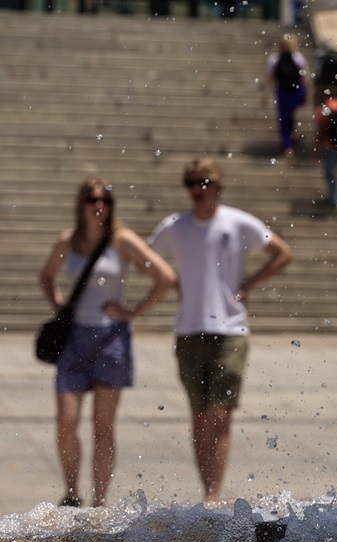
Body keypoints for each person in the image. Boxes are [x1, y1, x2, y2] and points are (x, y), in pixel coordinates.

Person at [148, 158, 293, 503]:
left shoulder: (238, 222)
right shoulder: (175, 226)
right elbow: (145, 256)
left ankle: (214, 493)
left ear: (218, 187)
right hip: (189, 330)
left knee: (220, 413)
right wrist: (170, 280)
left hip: (230, 329)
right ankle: (207, 490)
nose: (197, 190)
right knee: (199, 416)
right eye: (191, 183)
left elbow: (282, 253)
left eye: (204, 183)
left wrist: (249, 283)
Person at [39, 178, 177, 508]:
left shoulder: (122, 240)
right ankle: (72, 492)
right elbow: (46, 276)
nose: (99, 205)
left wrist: (133, 312)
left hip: (111, 338)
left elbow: (165, 277)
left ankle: (99, 501)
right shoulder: (68, 241)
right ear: (81, 204)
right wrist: (59, 305)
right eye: (92, 199)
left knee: (102, 425)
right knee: (66, 421)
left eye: (105, 200)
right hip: (75, 337)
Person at [263, 34, 310, 158]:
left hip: (282, 92)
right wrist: (305, 93)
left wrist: (265, 95)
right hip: (296, 91)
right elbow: (304, 78)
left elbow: (269, 78)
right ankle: (291, 135)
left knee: (284, 119)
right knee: (289, 115)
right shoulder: (298, 58)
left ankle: (288, 146)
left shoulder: (274, 58)